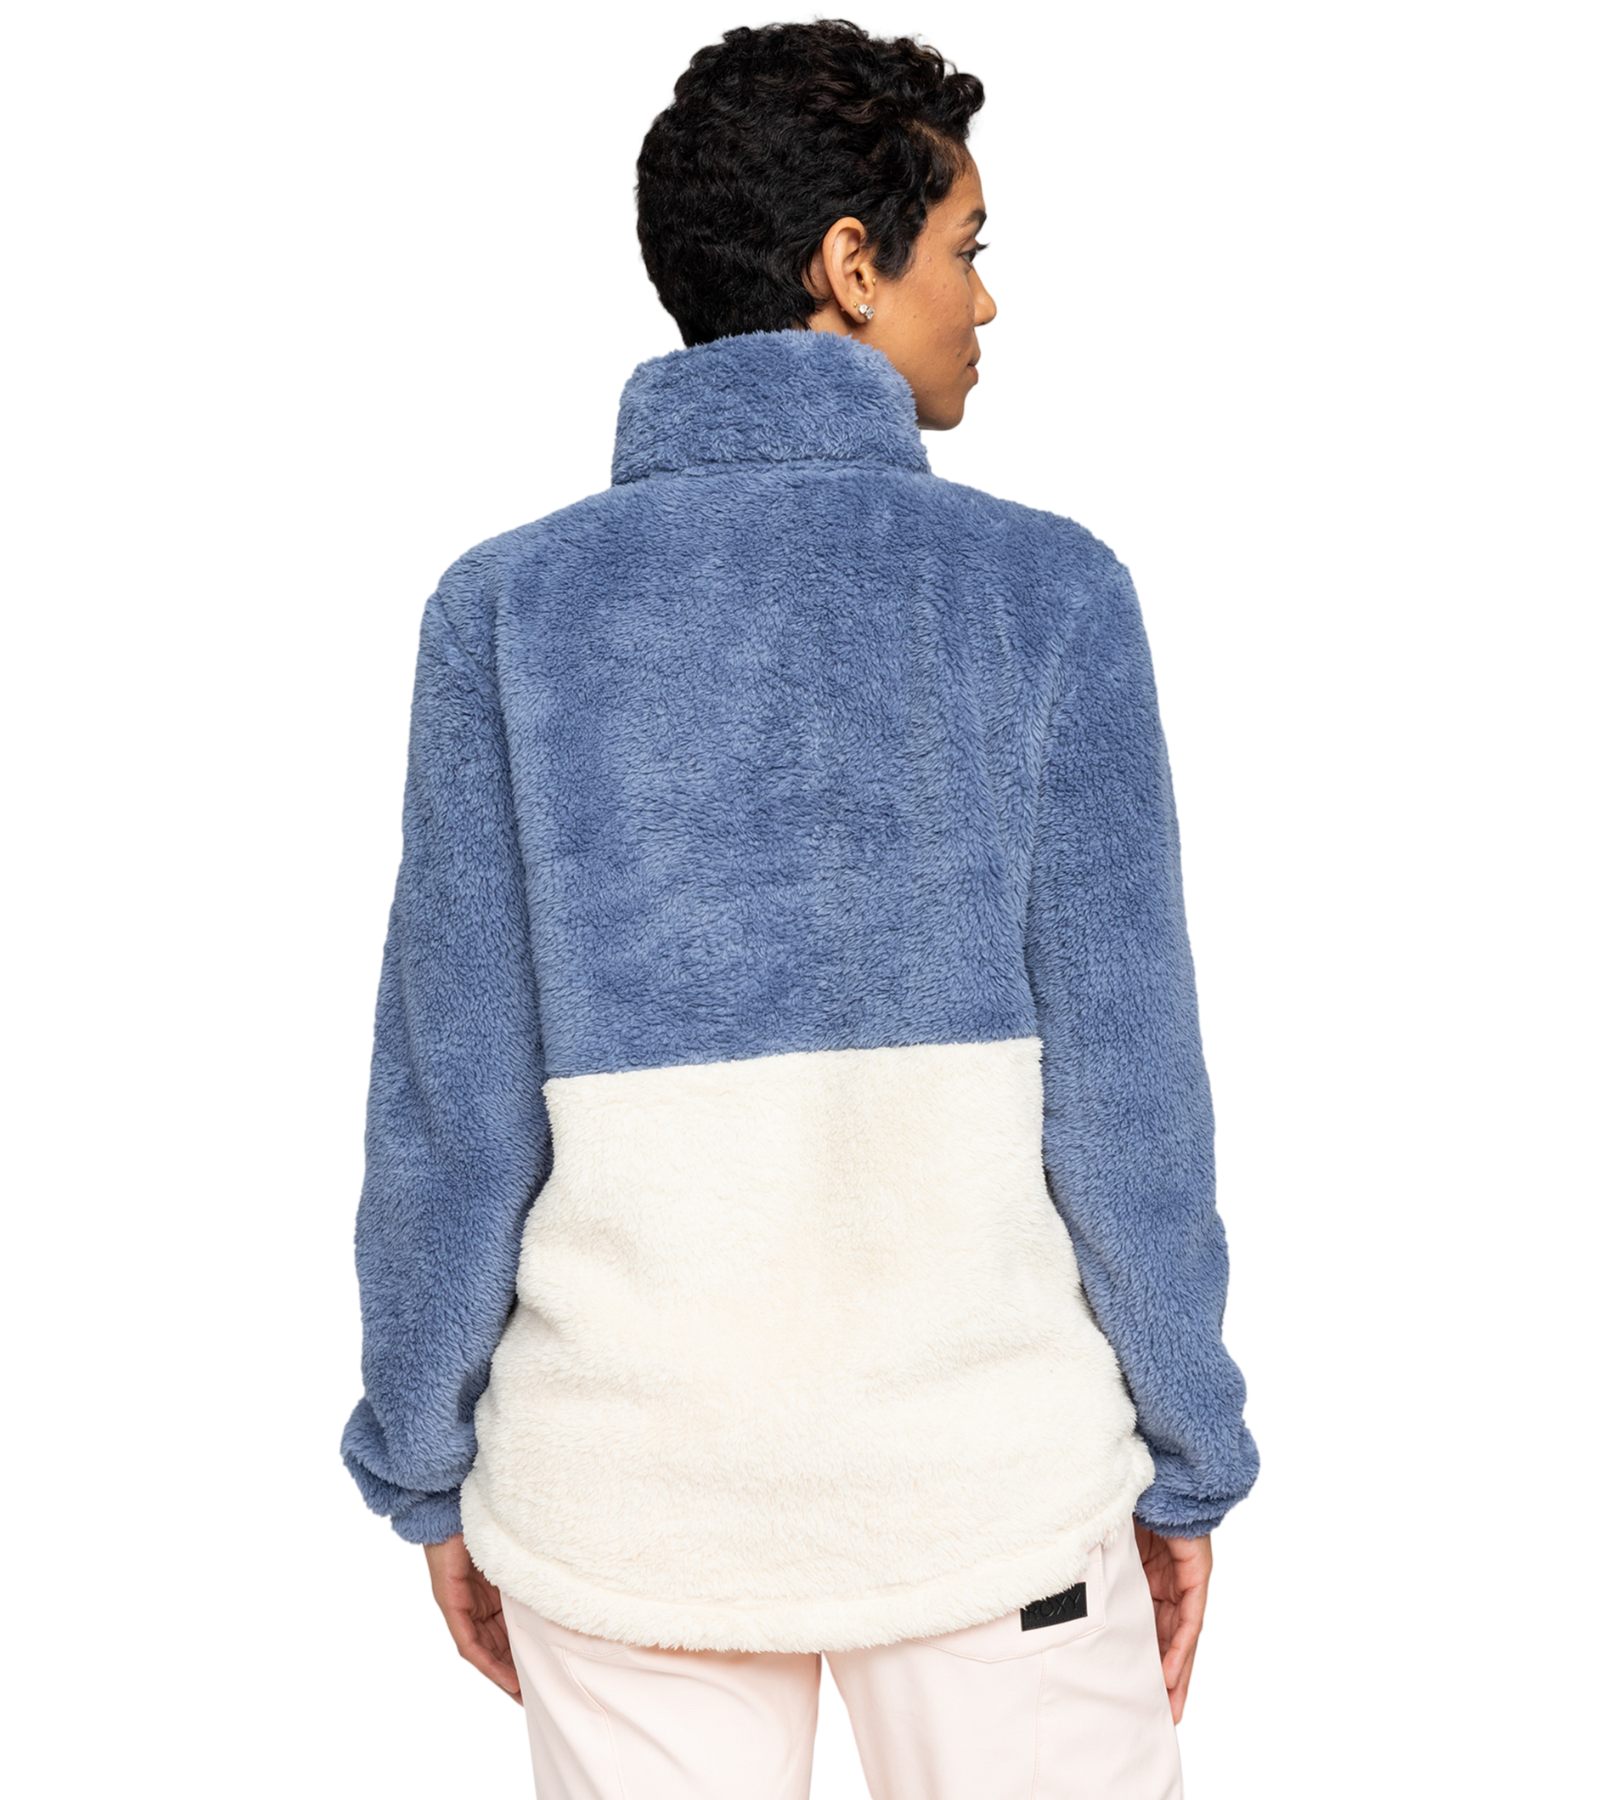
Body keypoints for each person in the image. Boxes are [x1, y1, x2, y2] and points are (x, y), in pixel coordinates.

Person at [341, 20, 1258, 1798]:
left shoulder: (507, 610)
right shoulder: (1049, 594)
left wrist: (427, 1465)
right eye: (965, 247)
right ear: (852, 263)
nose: (985, 300)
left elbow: (453, 1109)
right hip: (988, 1491)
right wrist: (1190, 1452)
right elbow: (1130, 1103)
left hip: (626, 1507)